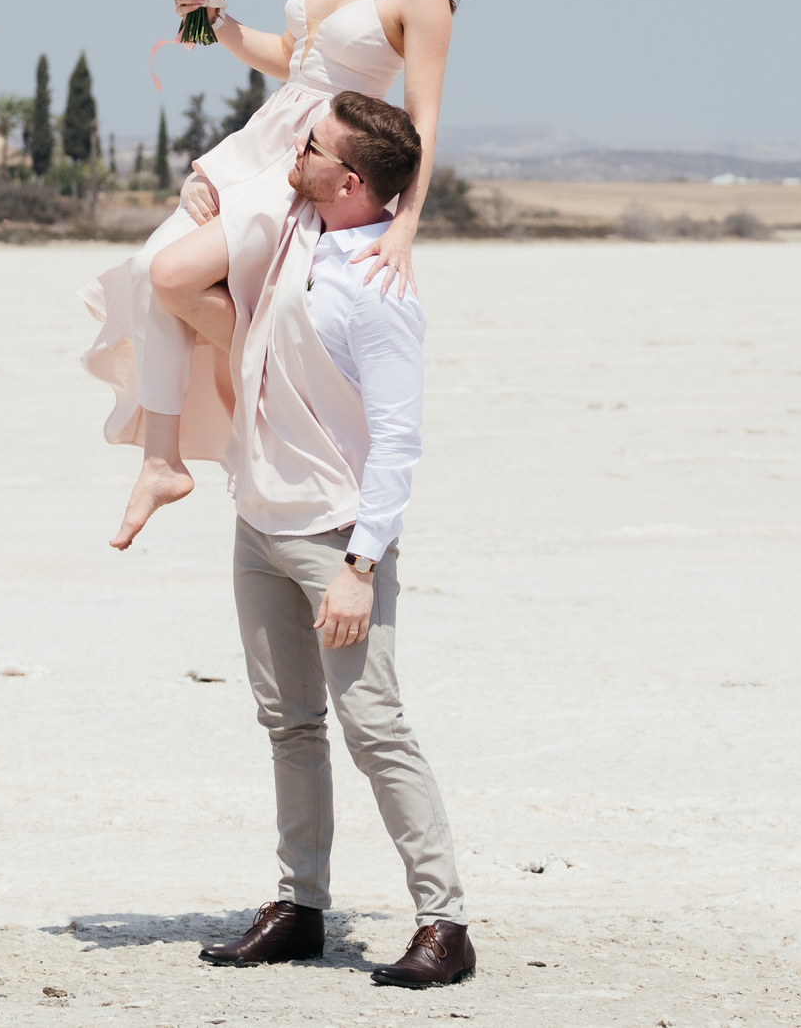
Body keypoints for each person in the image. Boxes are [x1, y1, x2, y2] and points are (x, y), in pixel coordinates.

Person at [81, 0, 509, 550]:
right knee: (149, 271)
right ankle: (162, 460)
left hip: (313, 165)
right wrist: (216, 19)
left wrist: (406, 225)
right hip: (262, 139)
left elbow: (423, 120)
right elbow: (292, 57)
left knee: (170, 274)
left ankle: (265, 372)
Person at [185, 90, 476, 989]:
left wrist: (360, 566)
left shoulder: (380, 289)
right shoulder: (295, 230)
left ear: (349, 181)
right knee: (288, 723)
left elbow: (398, 441)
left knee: (373, 725)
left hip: (336, 537)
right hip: (259, 521)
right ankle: (300, 905)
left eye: (312, 146)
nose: (296, 151)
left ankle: (445, 921)